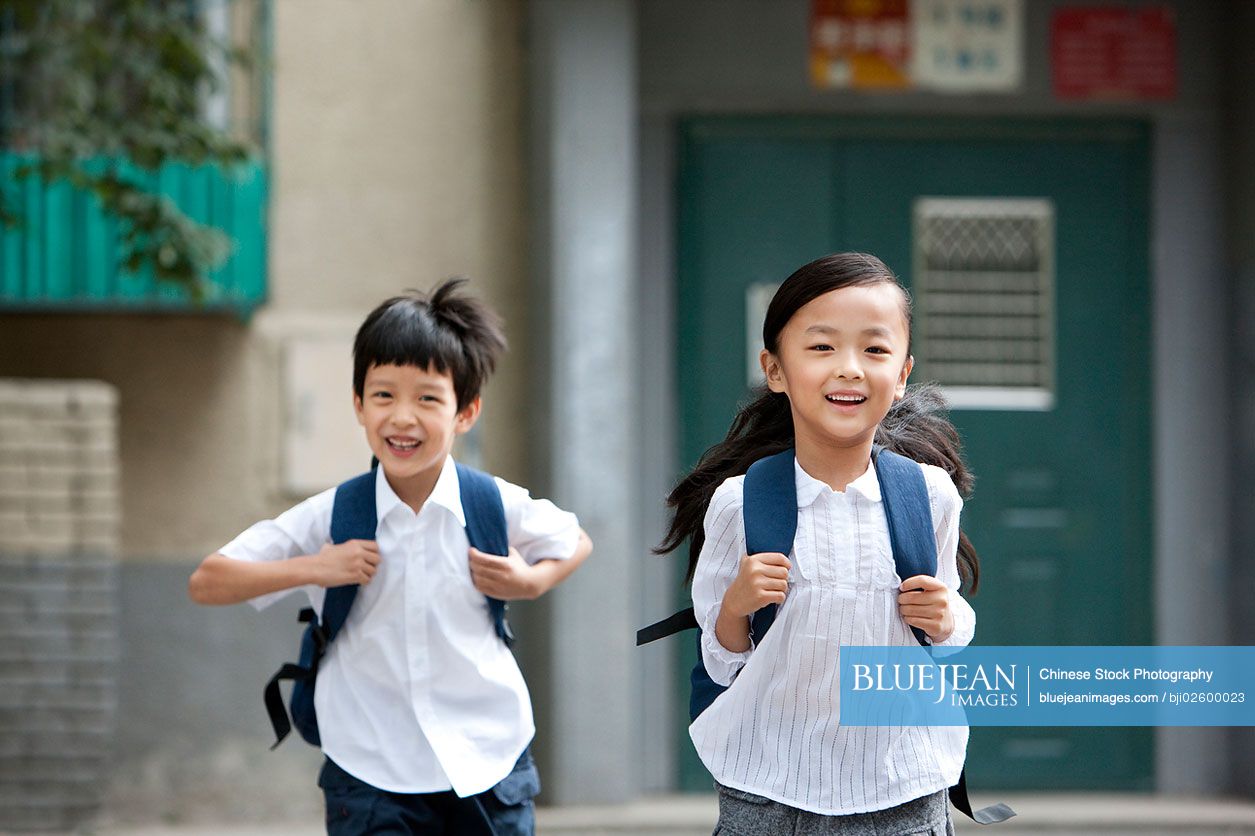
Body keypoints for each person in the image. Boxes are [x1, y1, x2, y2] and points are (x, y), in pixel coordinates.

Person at [188, 279, 592, 836]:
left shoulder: (491, 501)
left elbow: (574, 541)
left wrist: (533, 581)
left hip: (486, 760)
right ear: (358, 405)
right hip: (369, 770)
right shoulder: (331, 515)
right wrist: (315, 568)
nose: (402, 417)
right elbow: (208, 581)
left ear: (465, 411)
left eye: (427, 398)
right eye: (383, 395)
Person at [657, 252, 979, 835]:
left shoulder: (928, 495)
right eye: (822, 347)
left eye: (874, 350)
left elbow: (948, 631)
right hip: (767, 787)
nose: (850, 368)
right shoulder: (740, 502)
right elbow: (721, 656)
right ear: (775, 370)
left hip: (901, 784)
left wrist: (946, 615)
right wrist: (734, 607)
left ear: (903, 374)